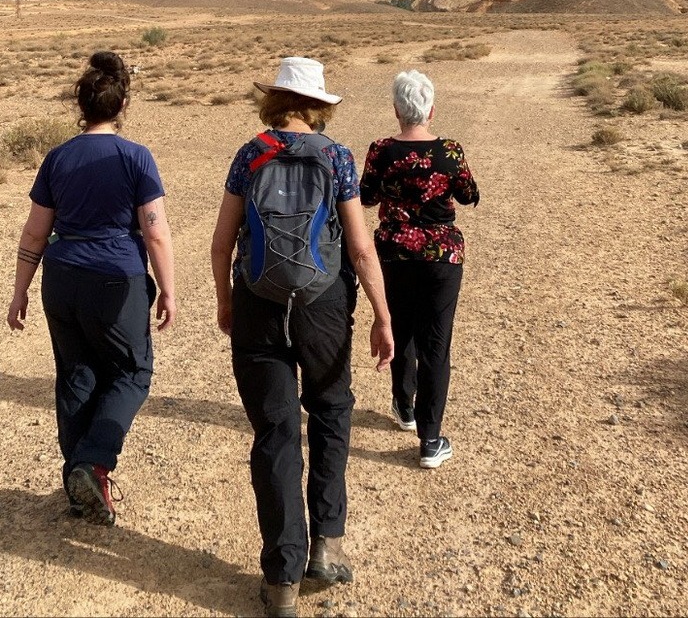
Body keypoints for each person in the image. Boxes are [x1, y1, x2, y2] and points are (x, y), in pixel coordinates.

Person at [211, 56, 394, 618]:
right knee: (333, 412)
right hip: (323, 308)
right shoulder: (336, 157)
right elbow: (361, 249)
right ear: (318, 107)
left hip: (258, 308)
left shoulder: (250, 154)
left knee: (275, 433)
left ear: (274, 101)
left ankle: (282, 579)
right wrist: (383, 316)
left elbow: (221, 243)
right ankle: (327, 546)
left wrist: (226, 302)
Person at [6, 51, 176, 525]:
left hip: (61, 279)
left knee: (77, 374)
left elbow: (35, 232)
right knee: (132, 372)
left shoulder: (57, 157)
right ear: (121, 105)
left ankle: (81, 484)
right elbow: (156, 231)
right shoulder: (135, 157)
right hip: (116, 279)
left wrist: (20, 291)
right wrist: (167, 288)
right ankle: (93, 462)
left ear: (81, 104)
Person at [360, 69, 479, 470]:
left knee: (400, 327)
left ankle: (403, 405)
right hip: (442, 256)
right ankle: (431, 439)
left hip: (393, 253)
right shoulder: (450, 150)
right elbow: (469, 195)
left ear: (397, 109)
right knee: (436, 343)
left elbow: (366, 196)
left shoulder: (380, 150)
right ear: (430, 109)